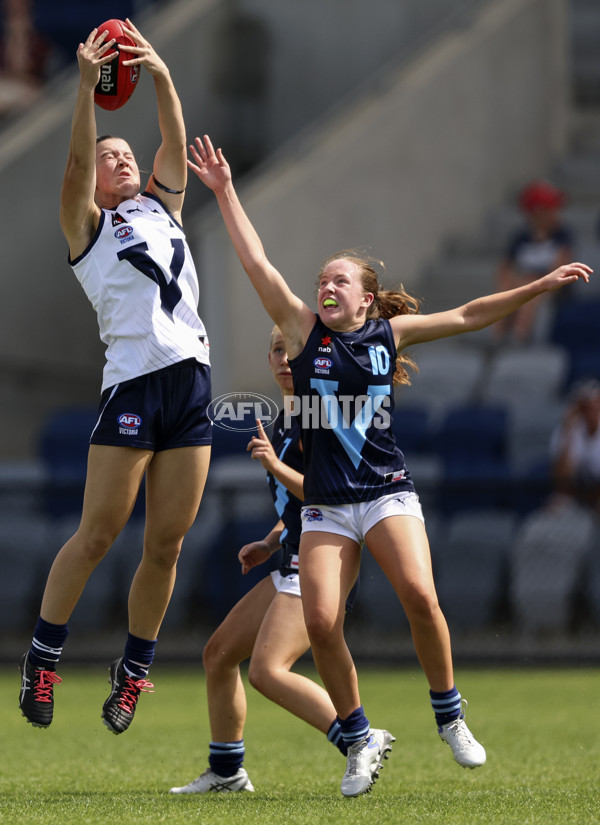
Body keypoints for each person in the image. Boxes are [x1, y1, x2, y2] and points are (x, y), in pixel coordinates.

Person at [187, 135, 592, 797]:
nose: (326, 286)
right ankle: (357, 737)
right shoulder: (300, 331)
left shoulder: (387, 335)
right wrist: (226, 190)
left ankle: (450, 713)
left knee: (420, 595)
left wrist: (540, 284)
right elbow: (255, 260)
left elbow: (468, 313)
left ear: (368, 300)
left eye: (339, 279)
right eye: (322, 279)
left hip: (384, 491)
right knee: (320, 624)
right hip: (325, 507)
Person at [18, 21, 212, 735]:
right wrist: (84, 91)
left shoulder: (162, 207)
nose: (122, 158)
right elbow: (72, 168)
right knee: (98, 532)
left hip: (190, 380)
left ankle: (133, 674)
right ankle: (42, 657)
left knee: (167, 542)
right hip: (132, 384)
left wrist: (160, 75)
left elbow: (170, 143)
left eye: (128, 152)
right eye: (111, 155)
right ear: (95, 179)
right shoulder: (88, 226)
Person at [169, 327, 361, 794]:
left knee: (267, 672)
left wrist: (275, 467)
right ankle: (227, 772)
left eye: (291, 348)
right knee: (218, 655)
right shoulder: (283, 420)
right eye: (275, 349)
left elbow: (331, 498)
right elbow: (299, 509)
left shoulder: (321, 415)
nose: (282, 357)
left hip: (319, 562)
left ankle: (359, 737)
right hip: (292, 556)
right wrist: (270, 542)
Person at [494, 180, 574, 344]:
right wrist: (507, 284)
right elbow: (505, 267)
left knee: (531, 289)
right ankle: (497, 334)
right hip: (523, 282)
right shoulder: (520, 237)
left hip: (553, 287)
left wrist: (534, 282)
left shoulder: (563, 235)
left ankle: (520, 335)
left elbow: (561, 268)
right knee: (507, 287)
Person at [550, 378, 600, 512]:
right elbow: (562, 481)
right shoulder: (568, 429)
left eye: (592, 401)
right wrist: (568, 428)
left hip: (595, 494)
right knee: (555, 509)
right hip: (577, 493)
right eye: (583, 404)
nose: (588, 407)